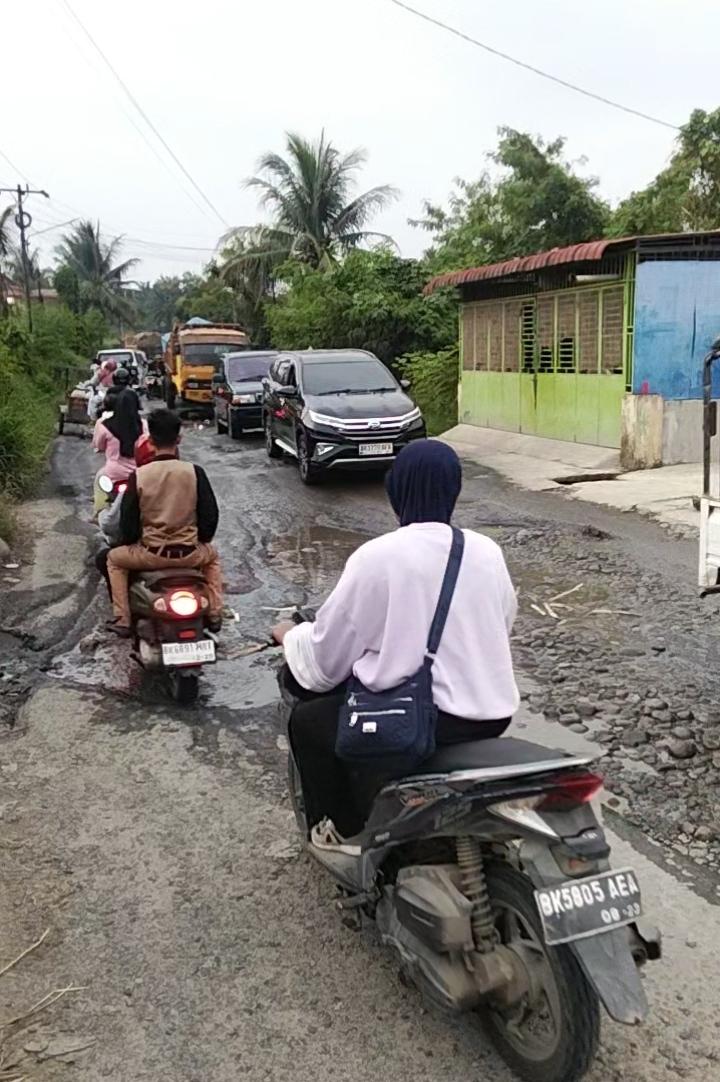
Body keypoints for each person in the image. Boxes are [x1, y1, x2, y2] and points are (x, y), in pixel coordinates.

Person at [273, 439, 520, 842]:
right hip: (491, 714)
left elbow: (326, 657)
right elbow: (501, 620)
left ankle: (342, 832)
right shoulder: (486, 551)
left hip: (429, 721)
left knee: (307, 721)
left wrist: (290, 637)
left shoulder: (378, 557)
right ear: (454, 490)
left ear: (395, 491)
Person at [106, 408, 224, 637]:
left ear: (150, 441)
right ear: (179, 439)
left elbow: (128, 525)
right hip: (190, 553)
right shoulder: (194, 472)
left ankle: (122, 619)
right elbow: (210, 517)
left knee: (113, 560)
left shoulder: (139, 476)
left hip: (151, 555)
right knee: (213, 557)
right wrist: (200, 541)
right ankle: (215, 613)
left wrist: (131, 542)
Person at [92, 387, 146, 513]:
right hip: (139, 474)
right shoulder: (144, 425)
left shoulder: (104, 424)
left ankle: (98, 512)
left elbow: (99, 446)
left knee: (99, 478)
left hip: (113, 473)